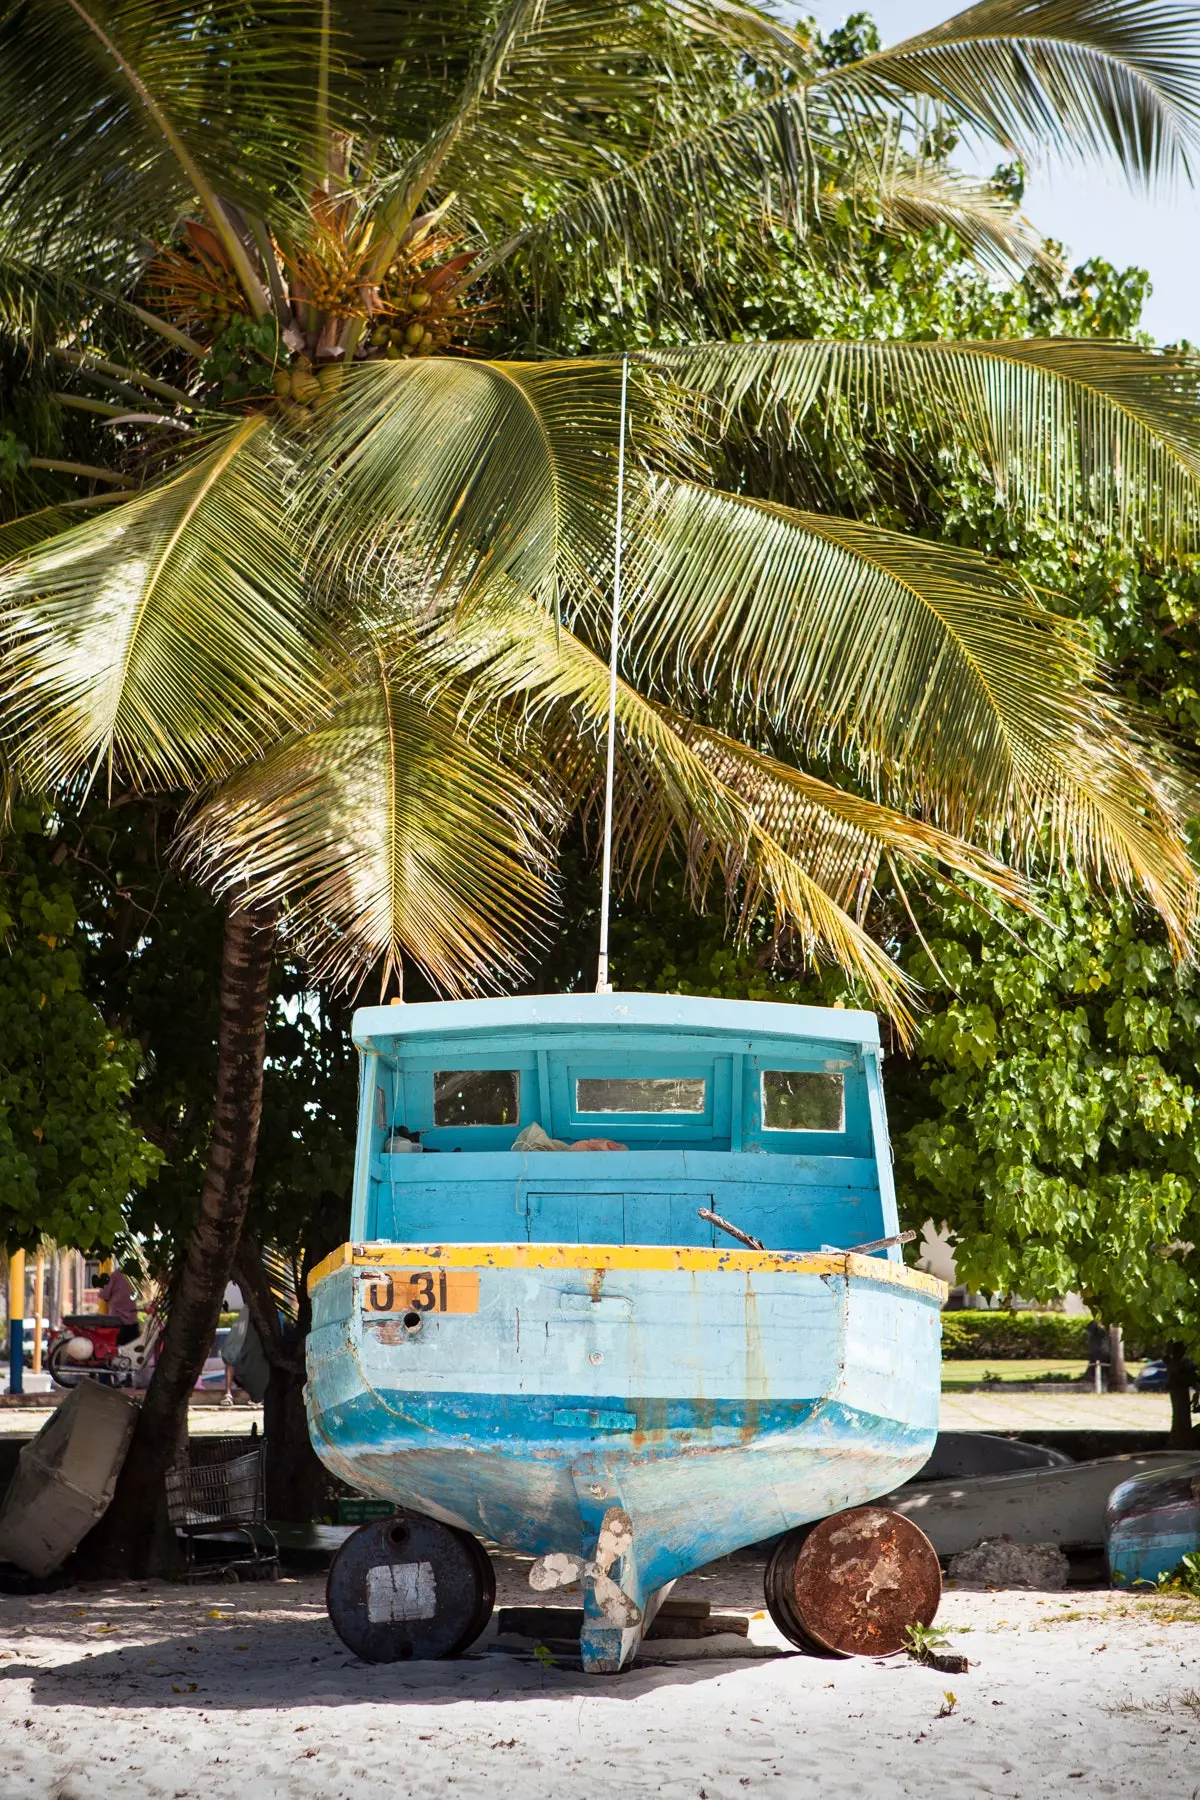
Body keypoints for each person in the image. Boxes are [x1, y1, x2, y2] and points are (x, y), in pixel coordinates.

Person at [96, 1267, 140, 1345]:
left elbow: (104, 1294)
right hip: (133, 1321)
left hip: (118, 1321)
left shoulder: (115, 1275)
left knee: (117, 1351)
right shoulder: (135, 1276)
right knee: (133, 1349)